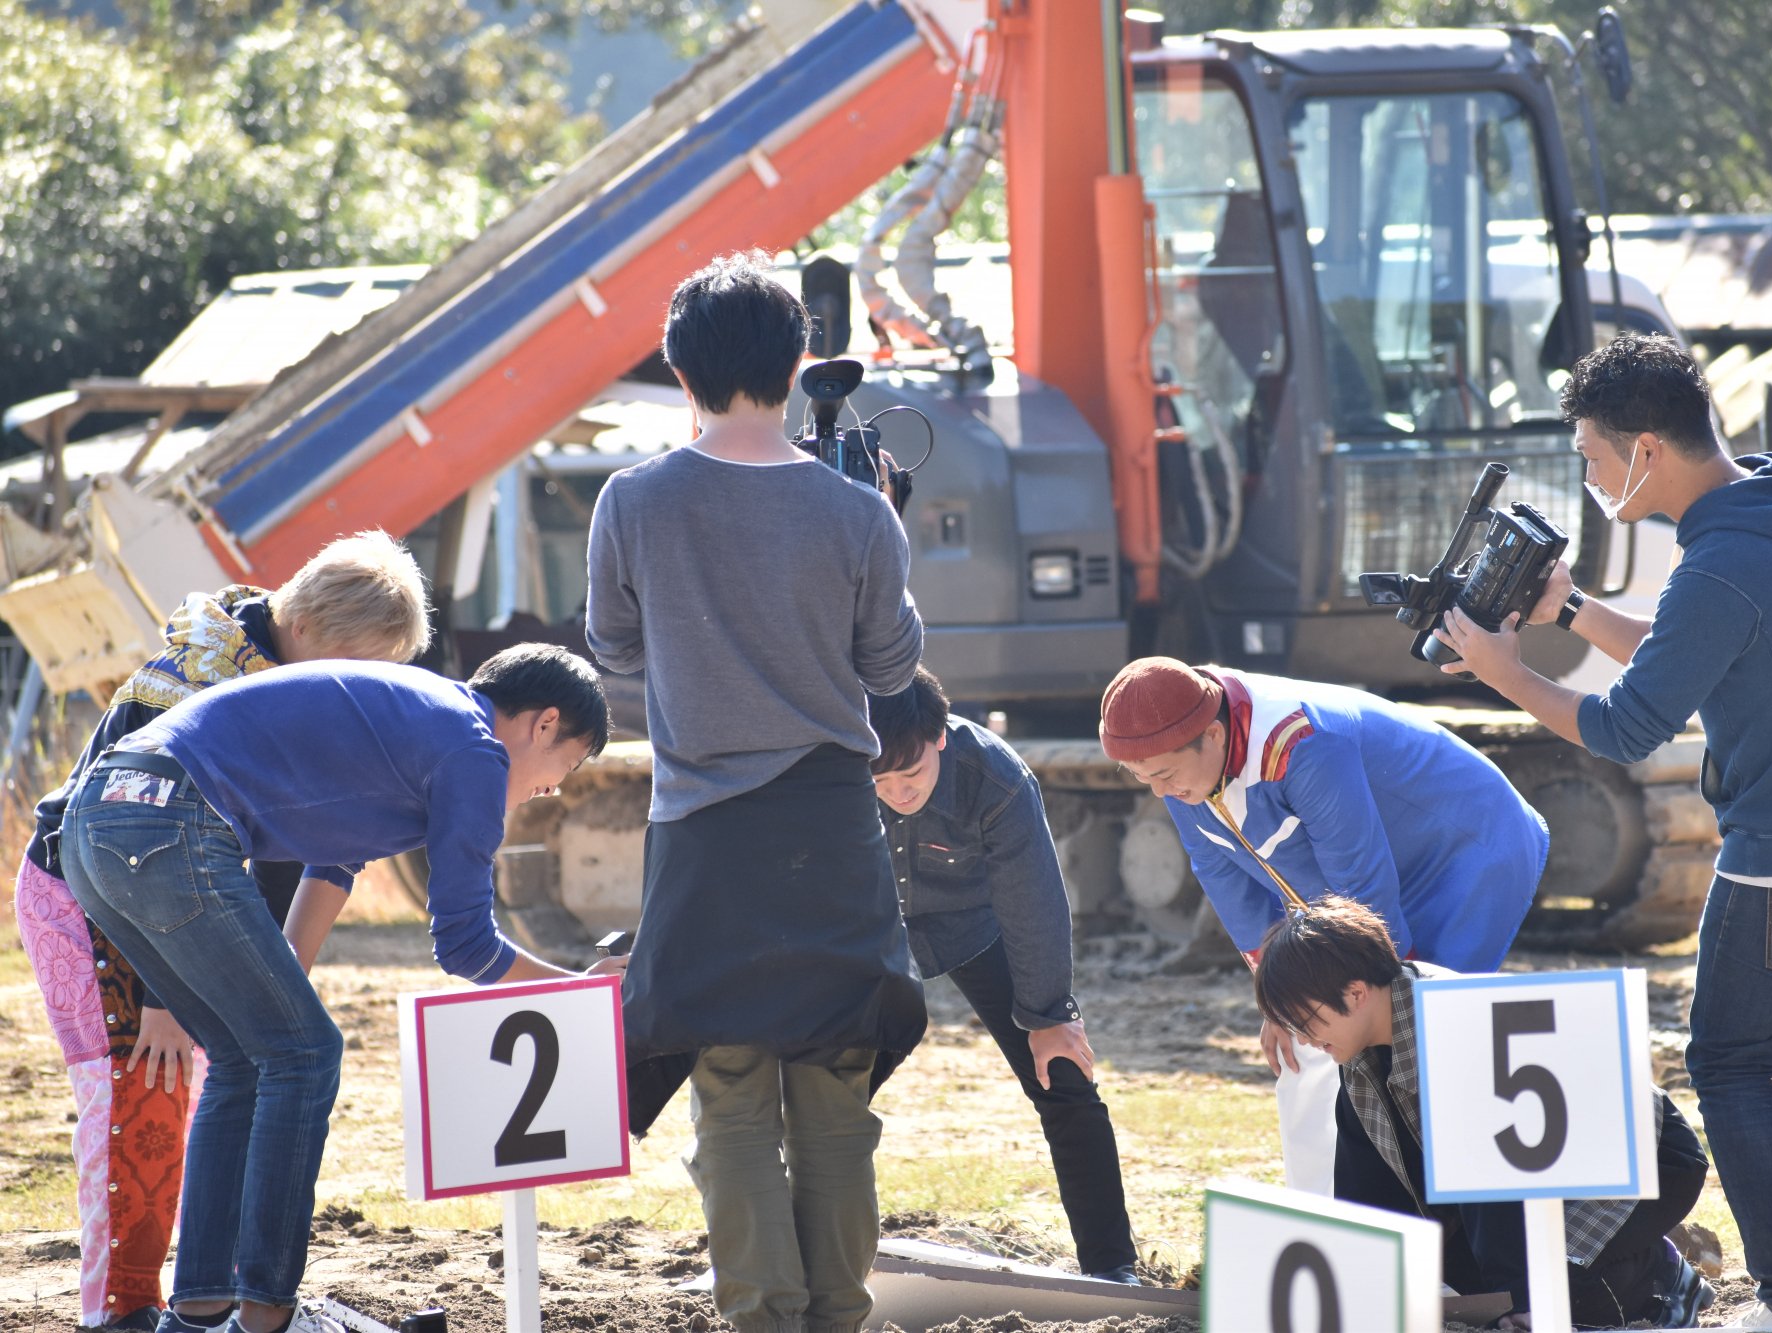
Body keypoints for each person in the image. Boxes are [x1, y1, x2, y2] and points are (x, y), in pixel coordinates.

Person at [1430, 333, 1772, 1326]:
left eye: (1592, 457)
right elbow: (1687, 648)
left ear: (1645, 449)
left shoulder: (1716, 566)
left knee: (1727, 1062)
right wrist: (1565, 607)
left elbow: (1623, 723)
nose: (1591, 477)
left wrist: (1501, 670)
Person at [58, 644, 625, 1333]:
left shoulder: (417, 719)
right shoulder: (476, 752)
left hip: (97, 819)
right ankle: (266, 1315)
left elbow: (331, 861)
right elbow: (466, 944)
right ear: (543, 724)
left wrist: (282, 987)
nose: (552, 788)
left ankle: (201, 1313)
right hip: (170, 822)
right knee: (307, 1054)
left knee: (247, 1054)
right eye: (566, 765)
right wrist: (583, 992)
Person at [586, 251, 926, 1333]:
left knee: (727, 1089)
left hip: (702, 833)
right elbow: (891, 669)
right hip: (831, 825)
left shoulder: (633, 499)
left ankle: (762, 1318)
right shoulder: (855, 513)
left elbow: (611, 644)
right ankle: (837, 1318)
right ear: (797, 365)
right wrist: (883, 526)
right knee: (834, 1095)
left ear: (679, 370)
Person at [11, 532, 429, 1331]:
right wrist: (170, 997)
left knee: (197, 1091)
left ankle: (199, 1292)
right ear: (305, 626)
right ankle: (119, 1308)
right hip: (92, 900)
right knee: (135, 1103)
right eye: (353, 660)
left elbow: (300, 852)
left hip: (169, 910)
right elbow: (133, 838)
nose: (354, 685)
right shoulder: (193, 680)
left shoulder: (288, 679)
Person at [1097, 655, 1548, 1193]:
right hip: (1374, 871)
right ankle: (1333, 1227)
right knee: (1316, 1035)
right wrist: (1280, 997)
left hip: (1465, 850)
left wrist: (1339, 1000)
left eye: (1164, 776)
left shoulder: (1301, 742)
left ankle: (1471, 1231)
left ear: (1213, 737)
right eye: (1143, 780)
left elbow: (1362, 889)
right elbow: (1219, 868)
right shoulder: (1177, 757)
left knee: (1422, 1040)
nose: (1159, 793)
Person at [1253, 897, 1714, 1330]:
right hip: (1530, 1175)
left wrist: (1523, 1297)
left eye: (1306, 1021)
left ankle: (1663, 1281)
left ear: (1354, 994)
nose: (1304, 1038)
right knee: (1467, 1278)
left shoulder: (1454, 1025)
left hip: (1645, 1159)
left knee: (1547, 1289)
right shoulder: (1358, 1050)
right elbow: (1370, 1185)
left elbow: (1494, 1181)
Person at [866, 666, 1140, 1284]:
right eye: (880, 782)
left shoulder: (995, 776)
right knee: (830, 1082)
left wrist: (1047, 1015)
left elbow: (1033, 900)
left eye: (910, 776)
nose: (897, 793)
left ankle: (1112, 1266)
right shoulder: (842, 760)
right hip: (875, 923)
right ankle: (807, 1239)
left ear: (939, 738)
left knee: (1062, 1074)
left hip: (977, 920)